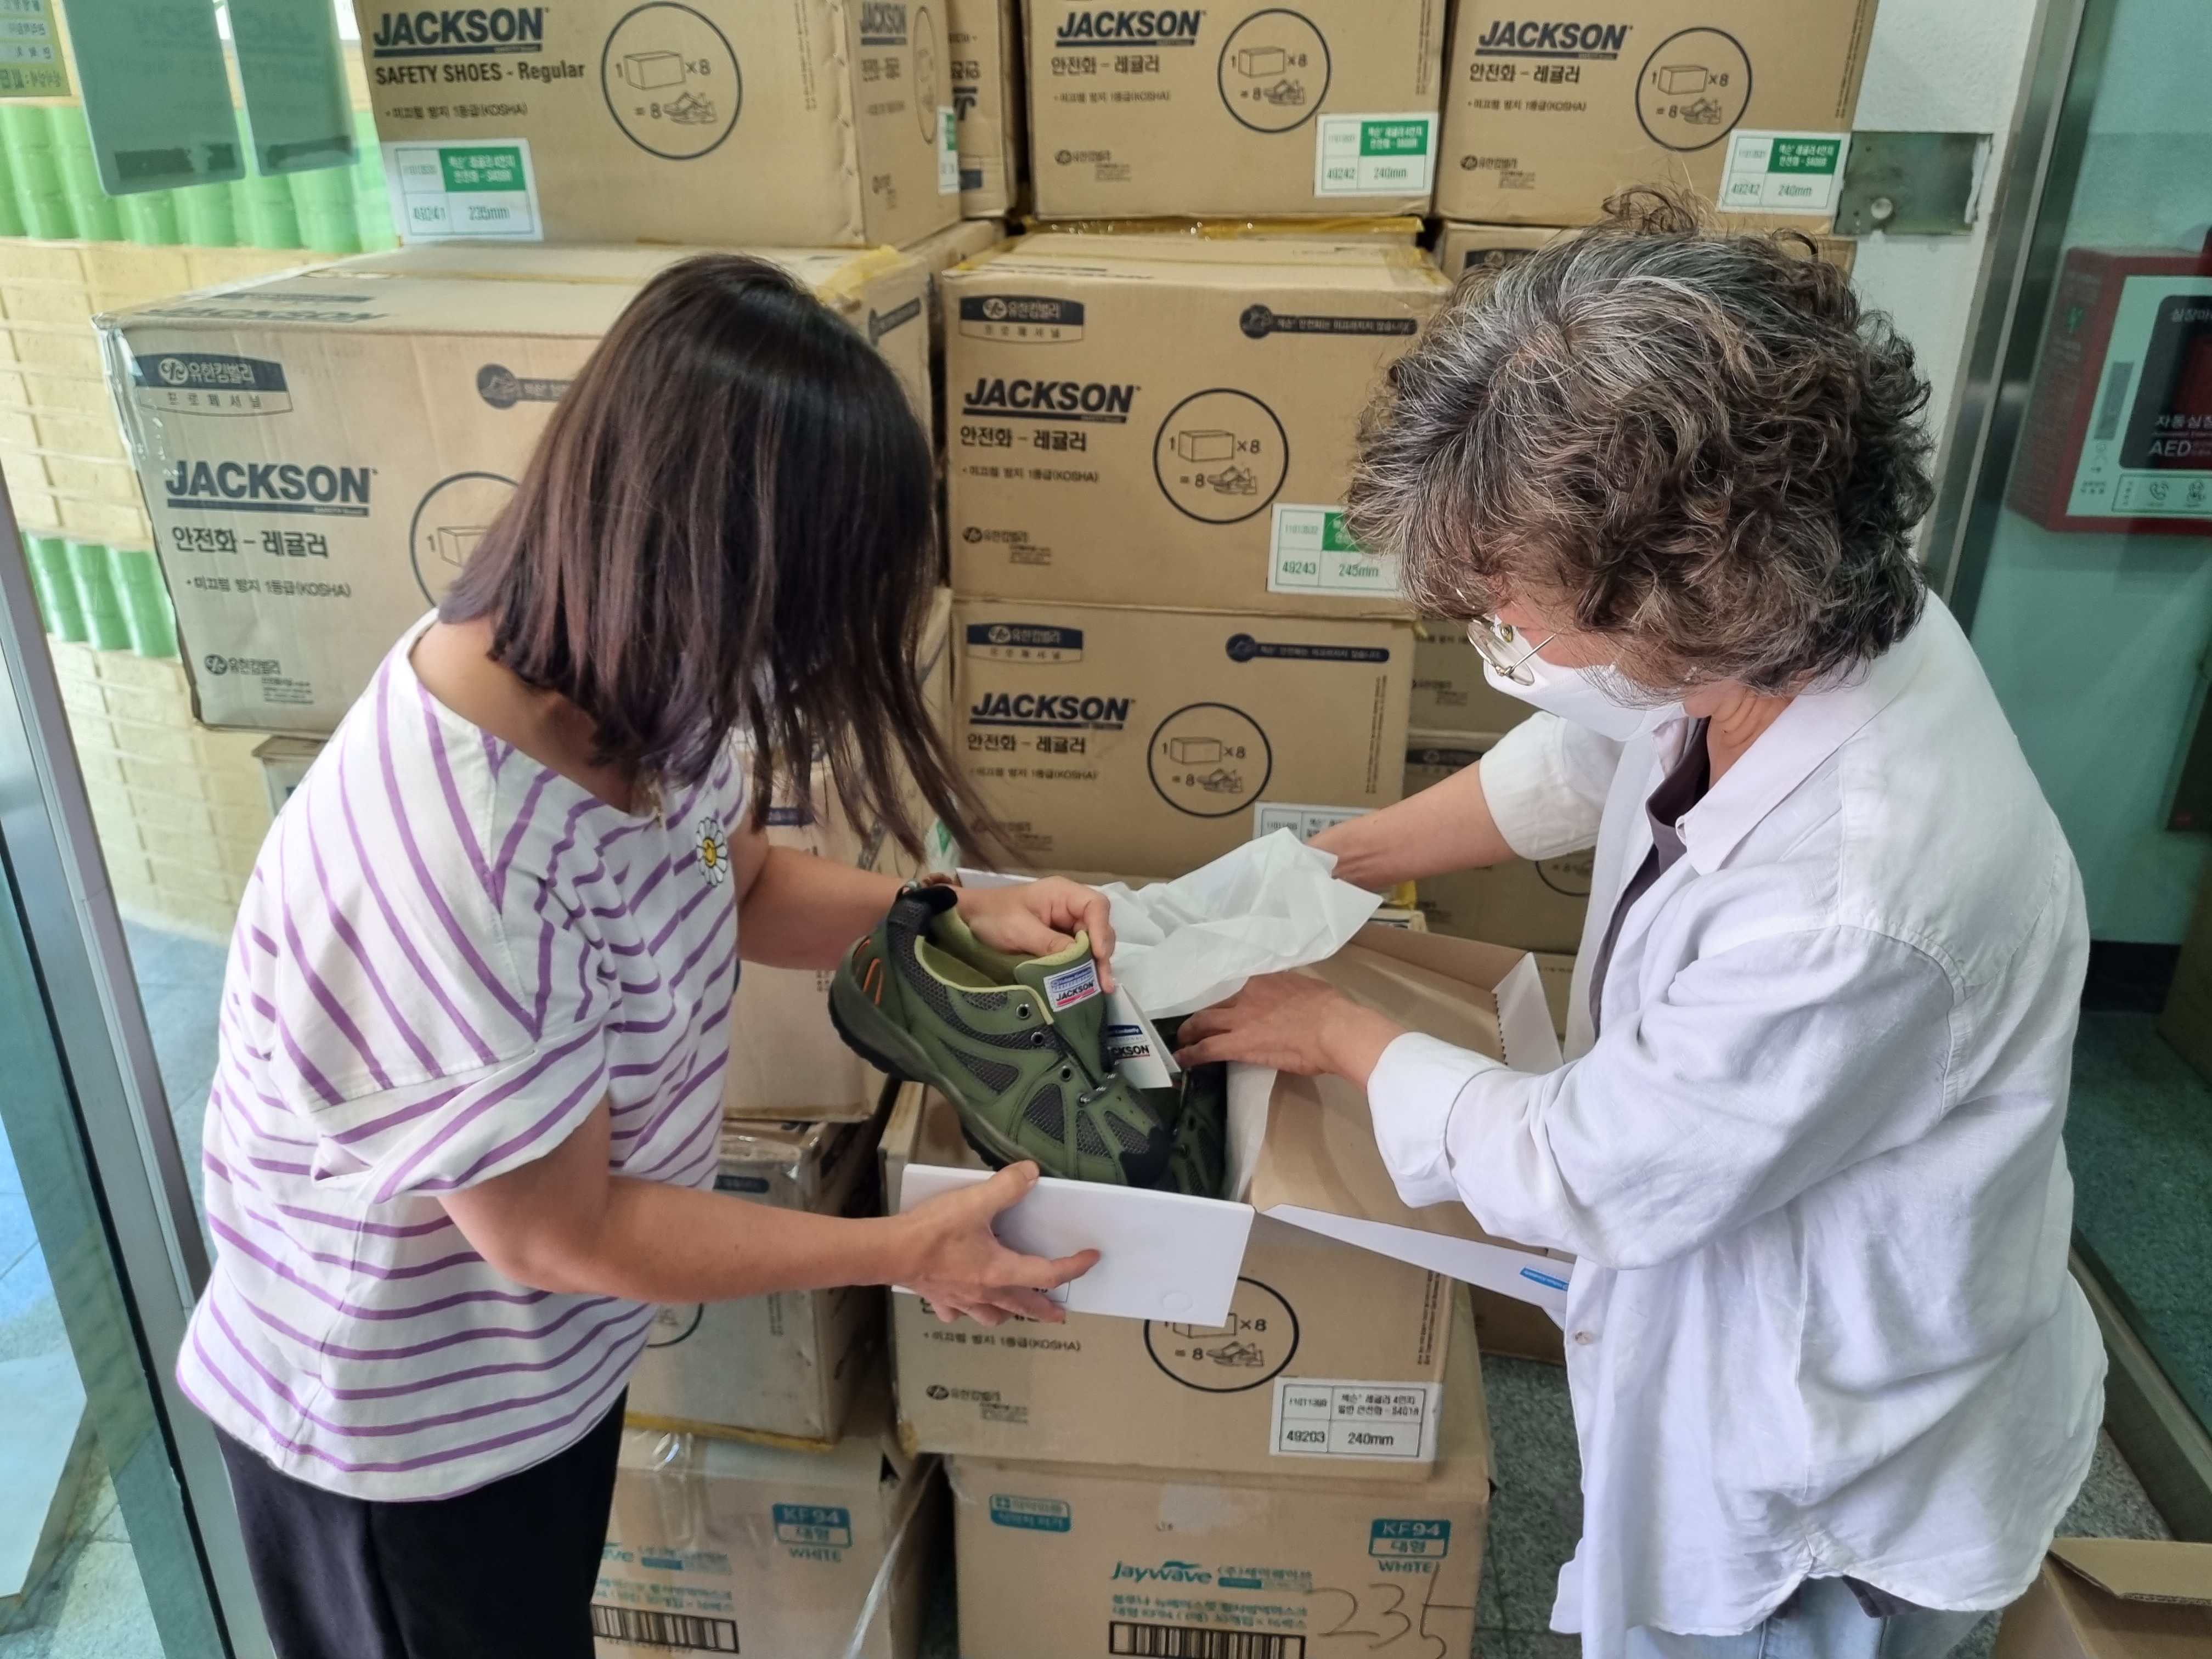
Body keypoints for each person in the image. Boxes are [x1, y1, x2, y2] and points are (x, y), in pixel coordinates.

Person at [1176, 192, 2106, 1659]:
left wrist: (1339, 1031)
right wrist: (1315, 871)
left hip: (1835, 1463)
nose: (1502, 633)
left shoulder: (1854, 901)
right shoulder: (1793, 625)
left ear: (1694, 589)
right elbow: (1586, 754)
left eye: (1514, 601)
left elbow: (1584, 1169)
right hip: (1747, 1306)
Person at [180, 254, 1102, 1659]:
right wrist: (900, 1249)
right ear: (713, 565)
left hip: (535, 1368)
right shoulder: (461, 860)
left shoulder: (636, 675)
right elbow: (566, 1232)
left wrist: (953, 911)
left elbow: (736, 881)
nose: (795, 675)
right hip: (400, 1435)